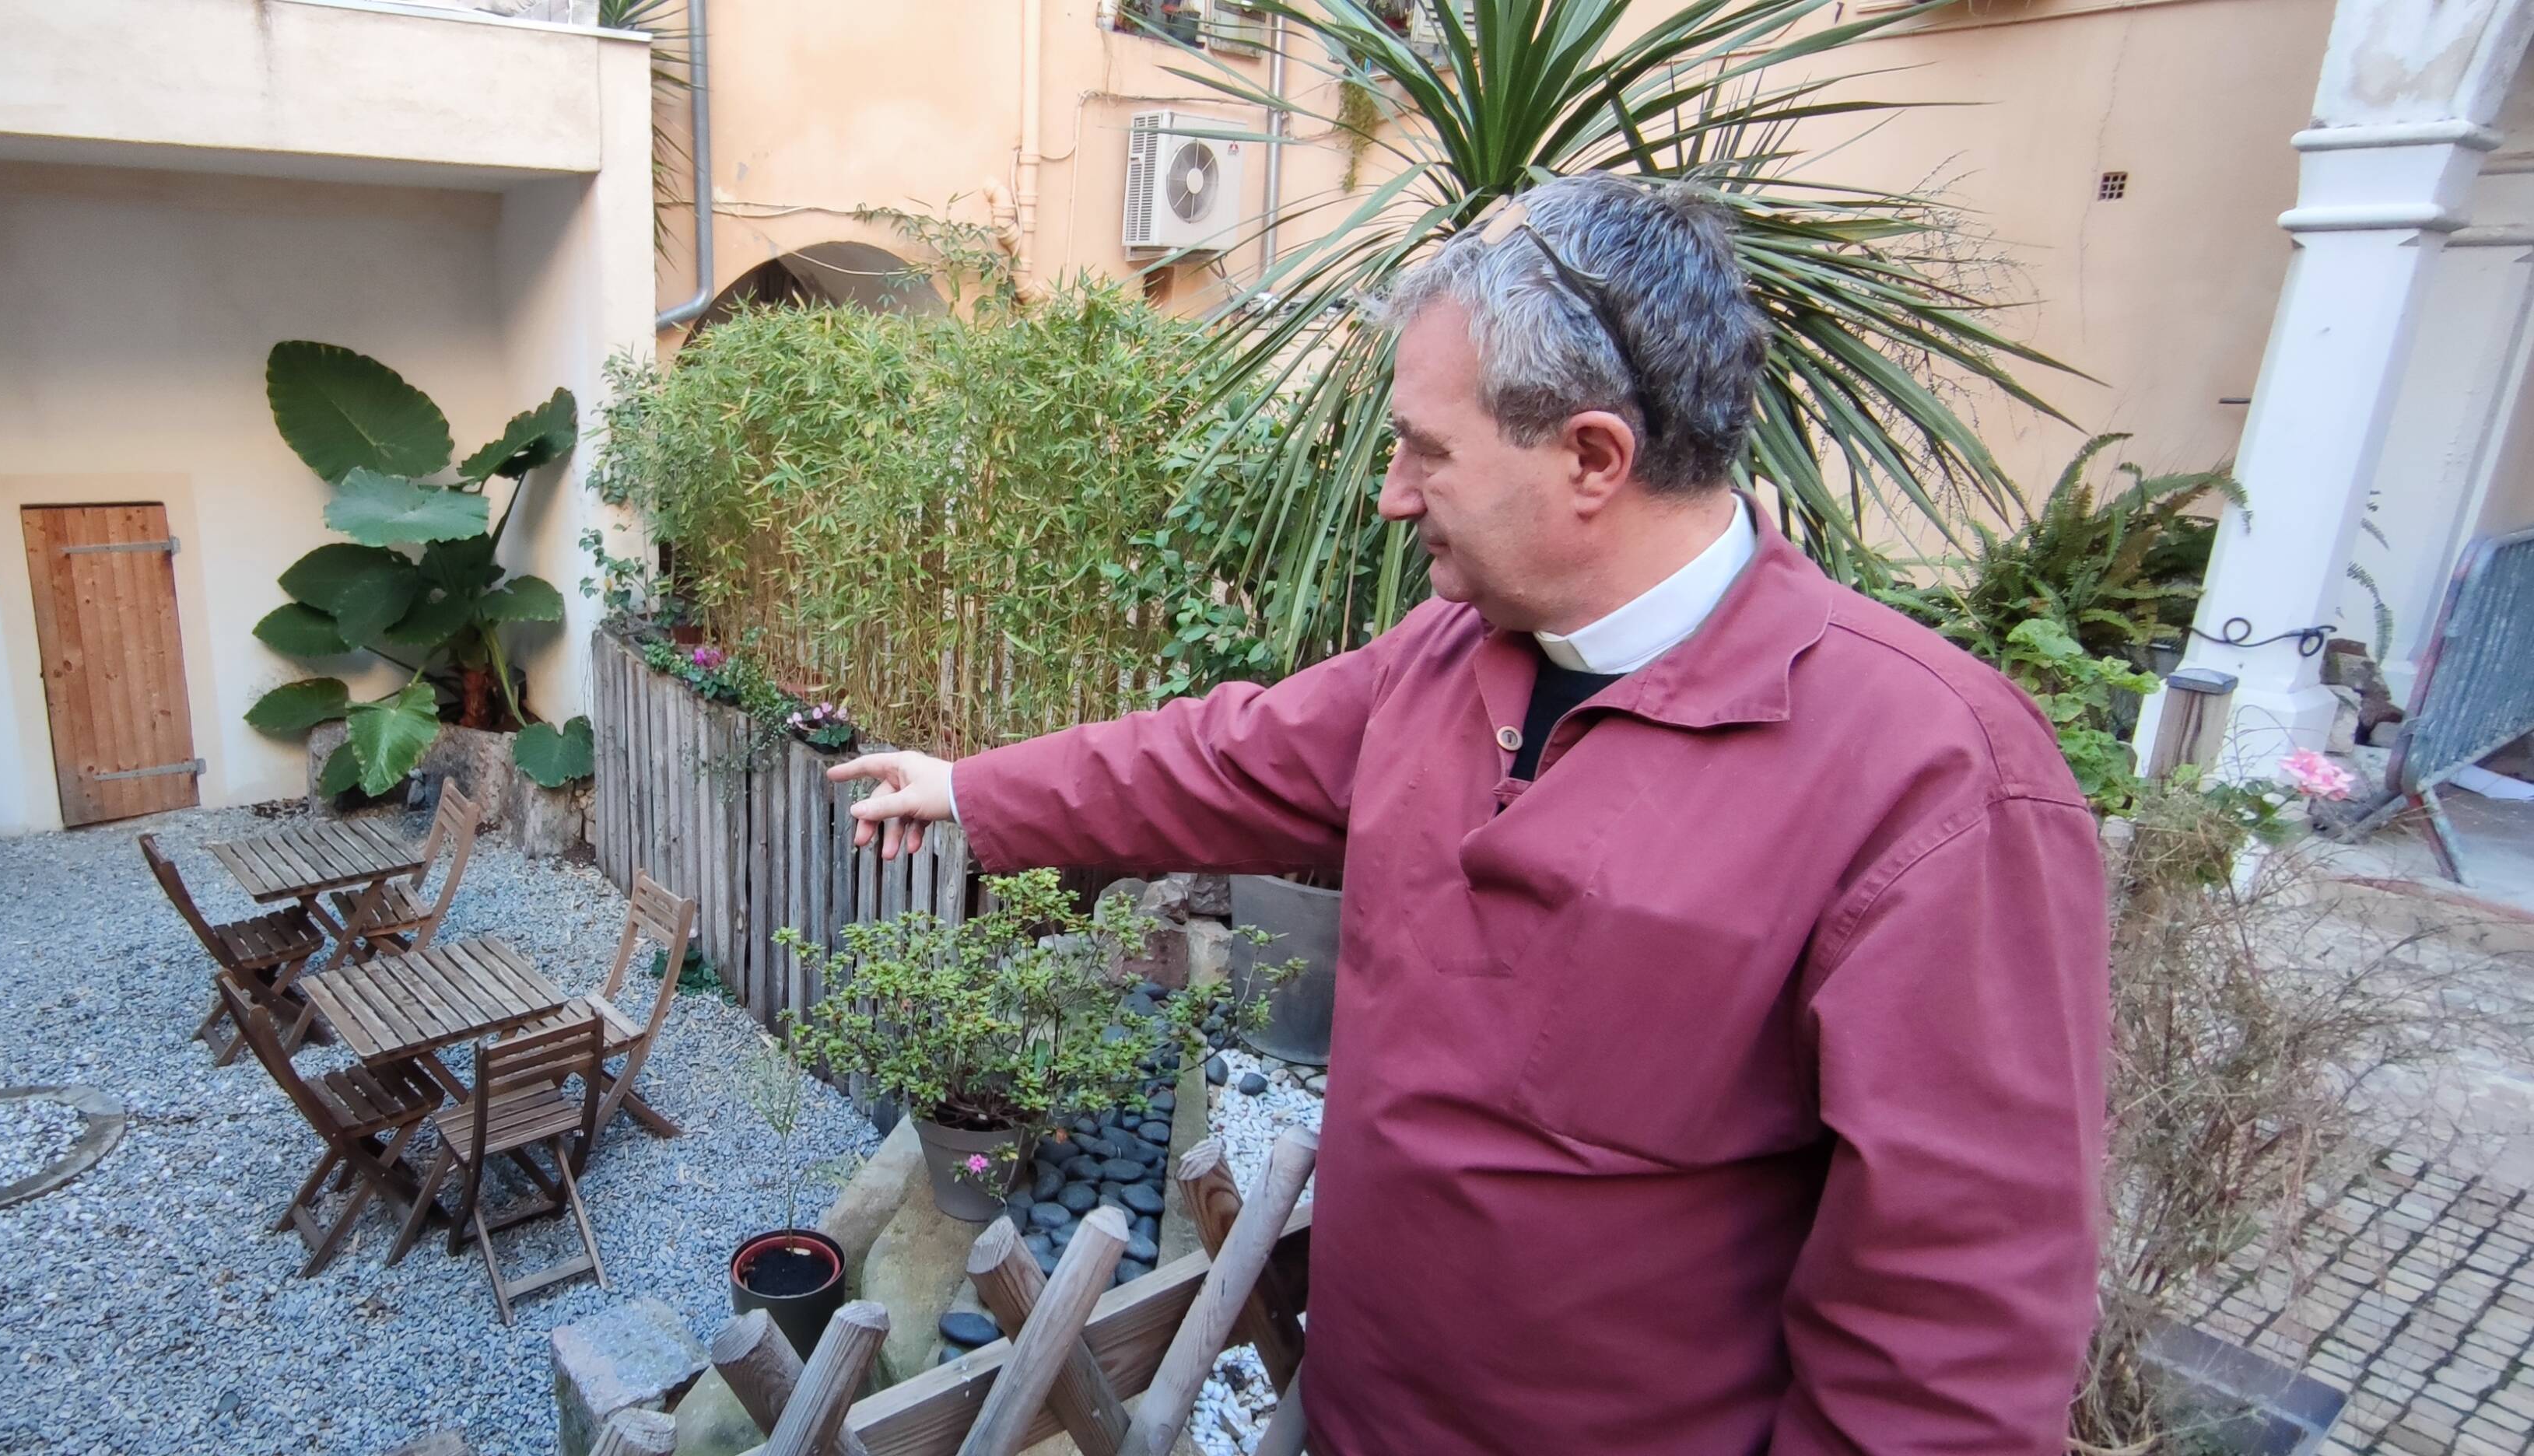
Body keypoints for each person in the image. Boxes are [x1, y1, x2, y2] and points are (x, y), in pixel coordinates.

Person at [828, 173, 2108, 1454]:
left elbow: (1949, 1347)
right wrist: (972, 788)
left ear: (1593, 459)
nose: (1392, 493)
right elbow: (1224, 756)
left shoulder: (1935, 780)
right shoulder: (1450, 657)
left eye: (1426, 451)